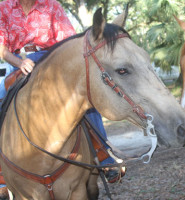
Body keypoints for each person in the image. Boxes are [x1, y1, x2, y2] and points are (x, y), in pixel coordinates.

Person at [0, 0, 124, 197]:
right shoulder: (4, 7)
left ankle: (105, 157)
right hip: (18, 62)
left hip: (52, 61)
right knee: (0, 96)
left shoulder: (51, 5)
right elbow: (2, 49)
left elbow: (68, 41)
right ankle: (2, 174)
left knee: (84, 98)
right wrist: (20, 62)